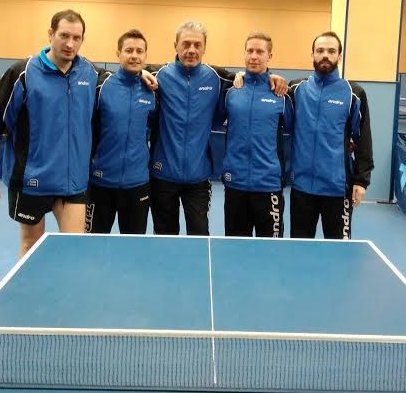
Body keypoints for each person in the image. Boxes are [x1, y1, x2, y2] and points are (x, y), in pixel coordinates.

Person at [0, 9, 100, 257]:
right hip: (32, 180)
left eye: (76, 38)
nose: (70, 44)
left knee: (75, 248)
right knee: (30, 246)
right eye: (64, 35)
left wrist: (143, 73)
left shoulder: (90, 73)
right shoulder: (22, 73)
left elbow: (120, 81)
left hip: (73, 181)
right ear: (50, 34)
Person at [148, 21, 287, 236]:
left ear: (205, 47)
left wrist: (271, 76)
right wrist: (141, 73)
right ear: (175, 45)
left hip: (198, 178)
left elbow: (251, 78)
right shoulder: (158, 76)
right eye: (186, 44)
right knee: (165, 238)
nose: (191, 50)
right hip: (162, 175)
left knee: (200, 236)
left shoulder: (217, 77)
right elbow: (133, 71)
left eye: (197, 45)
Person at [288, 31, 373, 240]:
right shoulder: (296, 89)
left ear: (339, 56)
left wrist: (361, 181)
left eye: (331, 51)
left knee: (339, 253)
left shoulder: (354, 93)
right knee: (299, 251)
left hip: (337, 189)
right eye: (320, 50)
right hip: (301, 188)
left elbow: (363, 139)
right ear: (312, 54)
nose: (325, 55)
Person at [221, 32, 293, 237]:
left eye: (260, 52)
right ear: (244, 53)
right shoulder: (231, 91)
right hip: (235, 183)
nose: (254, 56)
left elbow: (296, 131)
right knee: (235, 249)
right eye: (250, 51)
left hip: (269, 185)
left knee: (271, 251)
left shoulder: (281, 94)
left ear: (269, 56)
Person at [86, 29, 156, 234]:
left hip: (137, 183)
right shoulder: (101, 86)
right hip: (100, 182)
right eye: (129, 50)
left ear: (145, 56)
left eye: (139, 51)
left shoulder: (152, 91)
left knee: (133, 248)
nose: (134, 55)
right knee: (94, 245)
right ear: (118, 54)